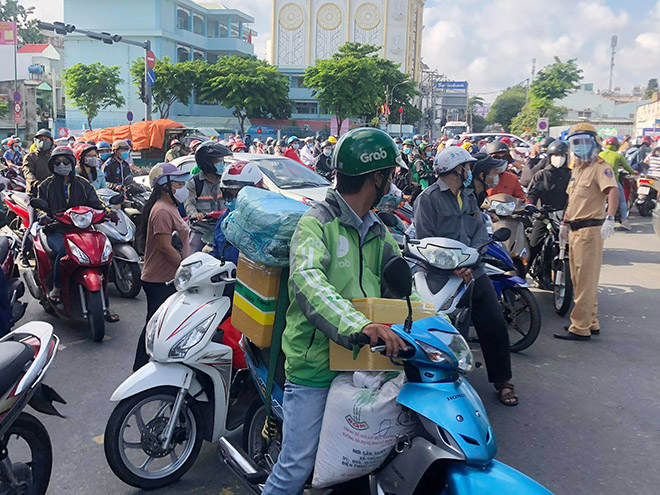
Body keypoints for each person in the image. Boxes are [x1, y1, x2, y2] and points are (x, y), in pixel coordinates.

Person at [262, 128, 407, 495]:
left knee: (362, 464)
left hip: (363, 365)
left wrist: (436, 324)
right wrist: (360, 325)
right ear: (376, 177)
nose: (392, 181)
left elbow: (405, 284)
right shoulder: (315, 224)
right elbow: (309, 282)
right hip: (316, 366)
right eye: (389, 173)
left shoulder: (378, 231)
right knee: (296, 465)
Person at [413, 146, 518, 406]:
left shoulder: (469, 197)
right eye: (468, 167)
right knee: (444, 326)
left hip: (473, 269)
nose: (471, 171)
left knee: (493, 321)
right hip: (439, 273)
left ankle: (503, 380)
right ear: (456, 169)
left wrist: (472, 258)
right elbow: (426, 241)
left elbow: (479, 231)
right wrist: (453, 265)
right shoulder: (427, 199)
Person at [554, 123, 618, 341]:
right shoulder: (579, 169)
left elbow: (612, 192)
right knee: (579, 278)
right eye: (575, 143)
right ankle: (591, 321)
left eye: (584, 141)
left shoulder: (601, 167)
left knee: (585, 281)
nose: (580, 147)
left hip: (590, 229)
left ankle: (579, 327)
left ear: (594, 142)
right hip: (574, 229)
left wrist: (611, 218)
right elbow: (572, 201)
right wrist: (564, 223)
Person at [133, 163, 192, 371]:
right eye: (178, 183)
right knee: (154, 326)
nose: (183, 187)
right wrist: (187, 270)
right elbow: (165, 248)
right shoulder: (161, 211)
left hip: (167, 277)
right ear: (164, 185)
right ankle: (139, 368)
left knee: (162, 325)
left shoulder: (171, 207)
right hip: (160, 279)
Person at [37, 146, 112, 303]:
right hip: (56, 229)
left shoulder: (83, 183)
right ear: (52, 165)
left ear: (72, 163)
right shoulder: (45, 185)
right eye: (58, 162)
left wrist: (107, 212)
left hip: (82, 229)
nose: (62, 165)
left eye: (66, 162)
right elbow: (40, 207)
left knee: (99, 251)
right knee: (63, 251)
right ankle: (57, 287)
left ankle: (104, 301)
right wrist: (44, 217)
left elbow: (96, 202)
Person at [526, 140, 572, 272]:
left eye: (562, 155)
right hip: (544, 216)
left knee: (574, 248)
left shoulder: (570, 175)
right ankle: (521, 279)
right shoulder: (542, 174)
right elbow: (532, 194)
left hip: (564, 217)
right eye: (555, 155)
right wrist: (530, 206)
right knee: (533, 247)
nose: (559, 158)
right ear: (549, 156)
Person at [211, 161, 265, 264]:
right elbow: (217, 253)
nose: (234, 200)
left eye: (239, 195)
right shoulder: (225, 218)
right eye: (229, 195)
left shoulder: (264, 222)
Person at [185, 141, 230, 253]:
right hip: (201, 230)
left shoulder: (226, 182)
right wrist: (194, 214)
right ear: (207, 163)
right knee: (193, 255)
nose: (222, 163)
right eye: (218, 161)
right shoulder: (194, 183)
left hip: (224, 229)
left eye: (222, 160)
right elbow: (189, 203)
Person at [599, 136, 637, 230]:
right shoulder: (618, 155)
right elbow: (627, 167)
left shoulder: (600, 154)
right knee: (623, 201)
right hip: (613, 181)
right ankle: (624, 220)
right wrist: (633, 172)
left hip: (600, 181)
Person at [22, 129, 55, 195]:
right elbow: (28, 172)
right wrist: (36, 183)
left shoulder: (53, 157)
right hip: (34, 192)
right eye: (41, 139)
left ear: (51, 142)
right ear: (35, 141)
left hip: (51, 191)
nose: (43, 142)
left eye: (46, 139)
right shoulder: (30, 157)